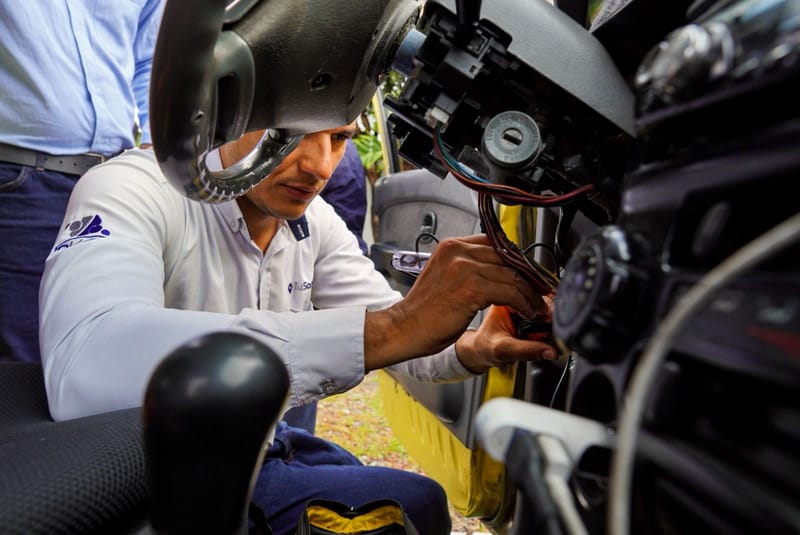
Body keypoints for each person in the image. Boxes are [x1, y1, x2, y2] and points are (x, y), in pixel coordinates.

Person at [39, 124, 557, 535]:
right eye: (289, 132)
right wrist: (396, 325)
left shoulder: (316, 221)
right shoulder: (130, 187)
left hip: (262, 446)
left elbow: (405, 342)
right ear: (227, 111)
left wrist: (471, 346)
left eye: (338, 138)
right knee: (415, 505)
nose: (319, 166)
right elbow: (85, 360)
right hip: (158, 475)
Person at [0, 1, 164, 363]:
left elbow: (150, 60)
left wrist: (153, 153)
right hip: (18, 180)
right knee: (24, 363)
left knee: (104, 348)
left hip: (116, 184)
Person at [283, 137, 369, 432]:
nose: (321, 166)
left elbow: (344, 237)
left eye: (339, 138)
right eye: (295, 134)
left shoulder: (322, 220)